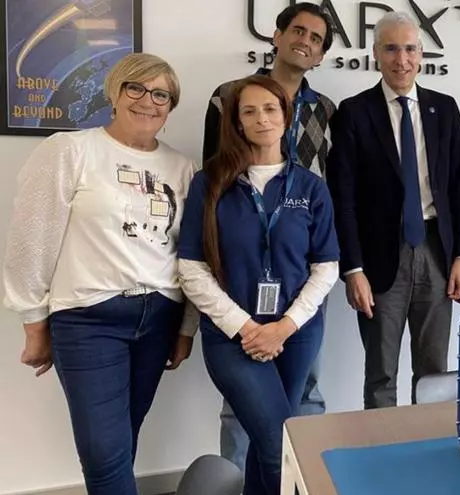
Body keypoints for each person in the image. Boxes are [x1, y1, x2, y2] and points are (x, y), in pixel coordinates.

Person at [1, 53, 197, 495]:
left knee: (122, 441)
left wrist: (186, 328)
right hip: (88, 320)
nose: (148, 101)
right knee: (103, 452)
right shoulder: (70, 150)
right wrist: (34, 324)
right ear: (114, 92)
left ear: (171, 106)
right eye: (136, 88)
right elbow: (32, 239)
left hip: (159, 319)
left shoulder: (182, 168)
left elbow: (189, 256)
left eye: (161, 94)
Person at [178, 74, 339, 495]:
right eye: (249, 112)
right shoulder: (210, 183)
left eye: (270, 109)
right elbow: (192, 268)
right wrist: (248, 328)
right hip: (234, 336)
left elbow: (326, 267)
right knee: (278, 442)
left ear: (286, 117)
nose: (261, 119)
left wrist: (283, 327)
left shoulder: (311, 186)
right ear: (237, 122)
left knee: (268, 437)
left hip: (295, 333)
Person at [201, 2, 336, 470]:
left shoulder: (325, 109)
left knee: (307, 387)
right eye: (298, 30)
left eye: (316, 38)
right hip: (240, 273)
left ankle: (304, 479)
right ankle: (241, 479)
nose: (305, 41)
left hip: (301, 272)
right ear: (276, 36)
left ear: (321, 54)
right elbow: (214, 180)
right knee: (243, 396)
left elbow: (332, 188)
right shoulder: (228, 96)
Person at [326, 11, 460, 409]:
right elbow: (343, 198)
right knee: (381, 373)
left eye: (409, 49)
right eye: (391, 49)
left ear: (421, 53)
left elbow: (459, 189)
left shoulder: (444, 109)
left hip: (436, 252)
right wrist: (352, 269)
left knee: (433, 372)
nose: (401, 59)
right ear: (376, 53)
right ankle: (380, 446)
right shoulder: (354, 112)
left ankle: (428, 444)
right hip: (378, 259)